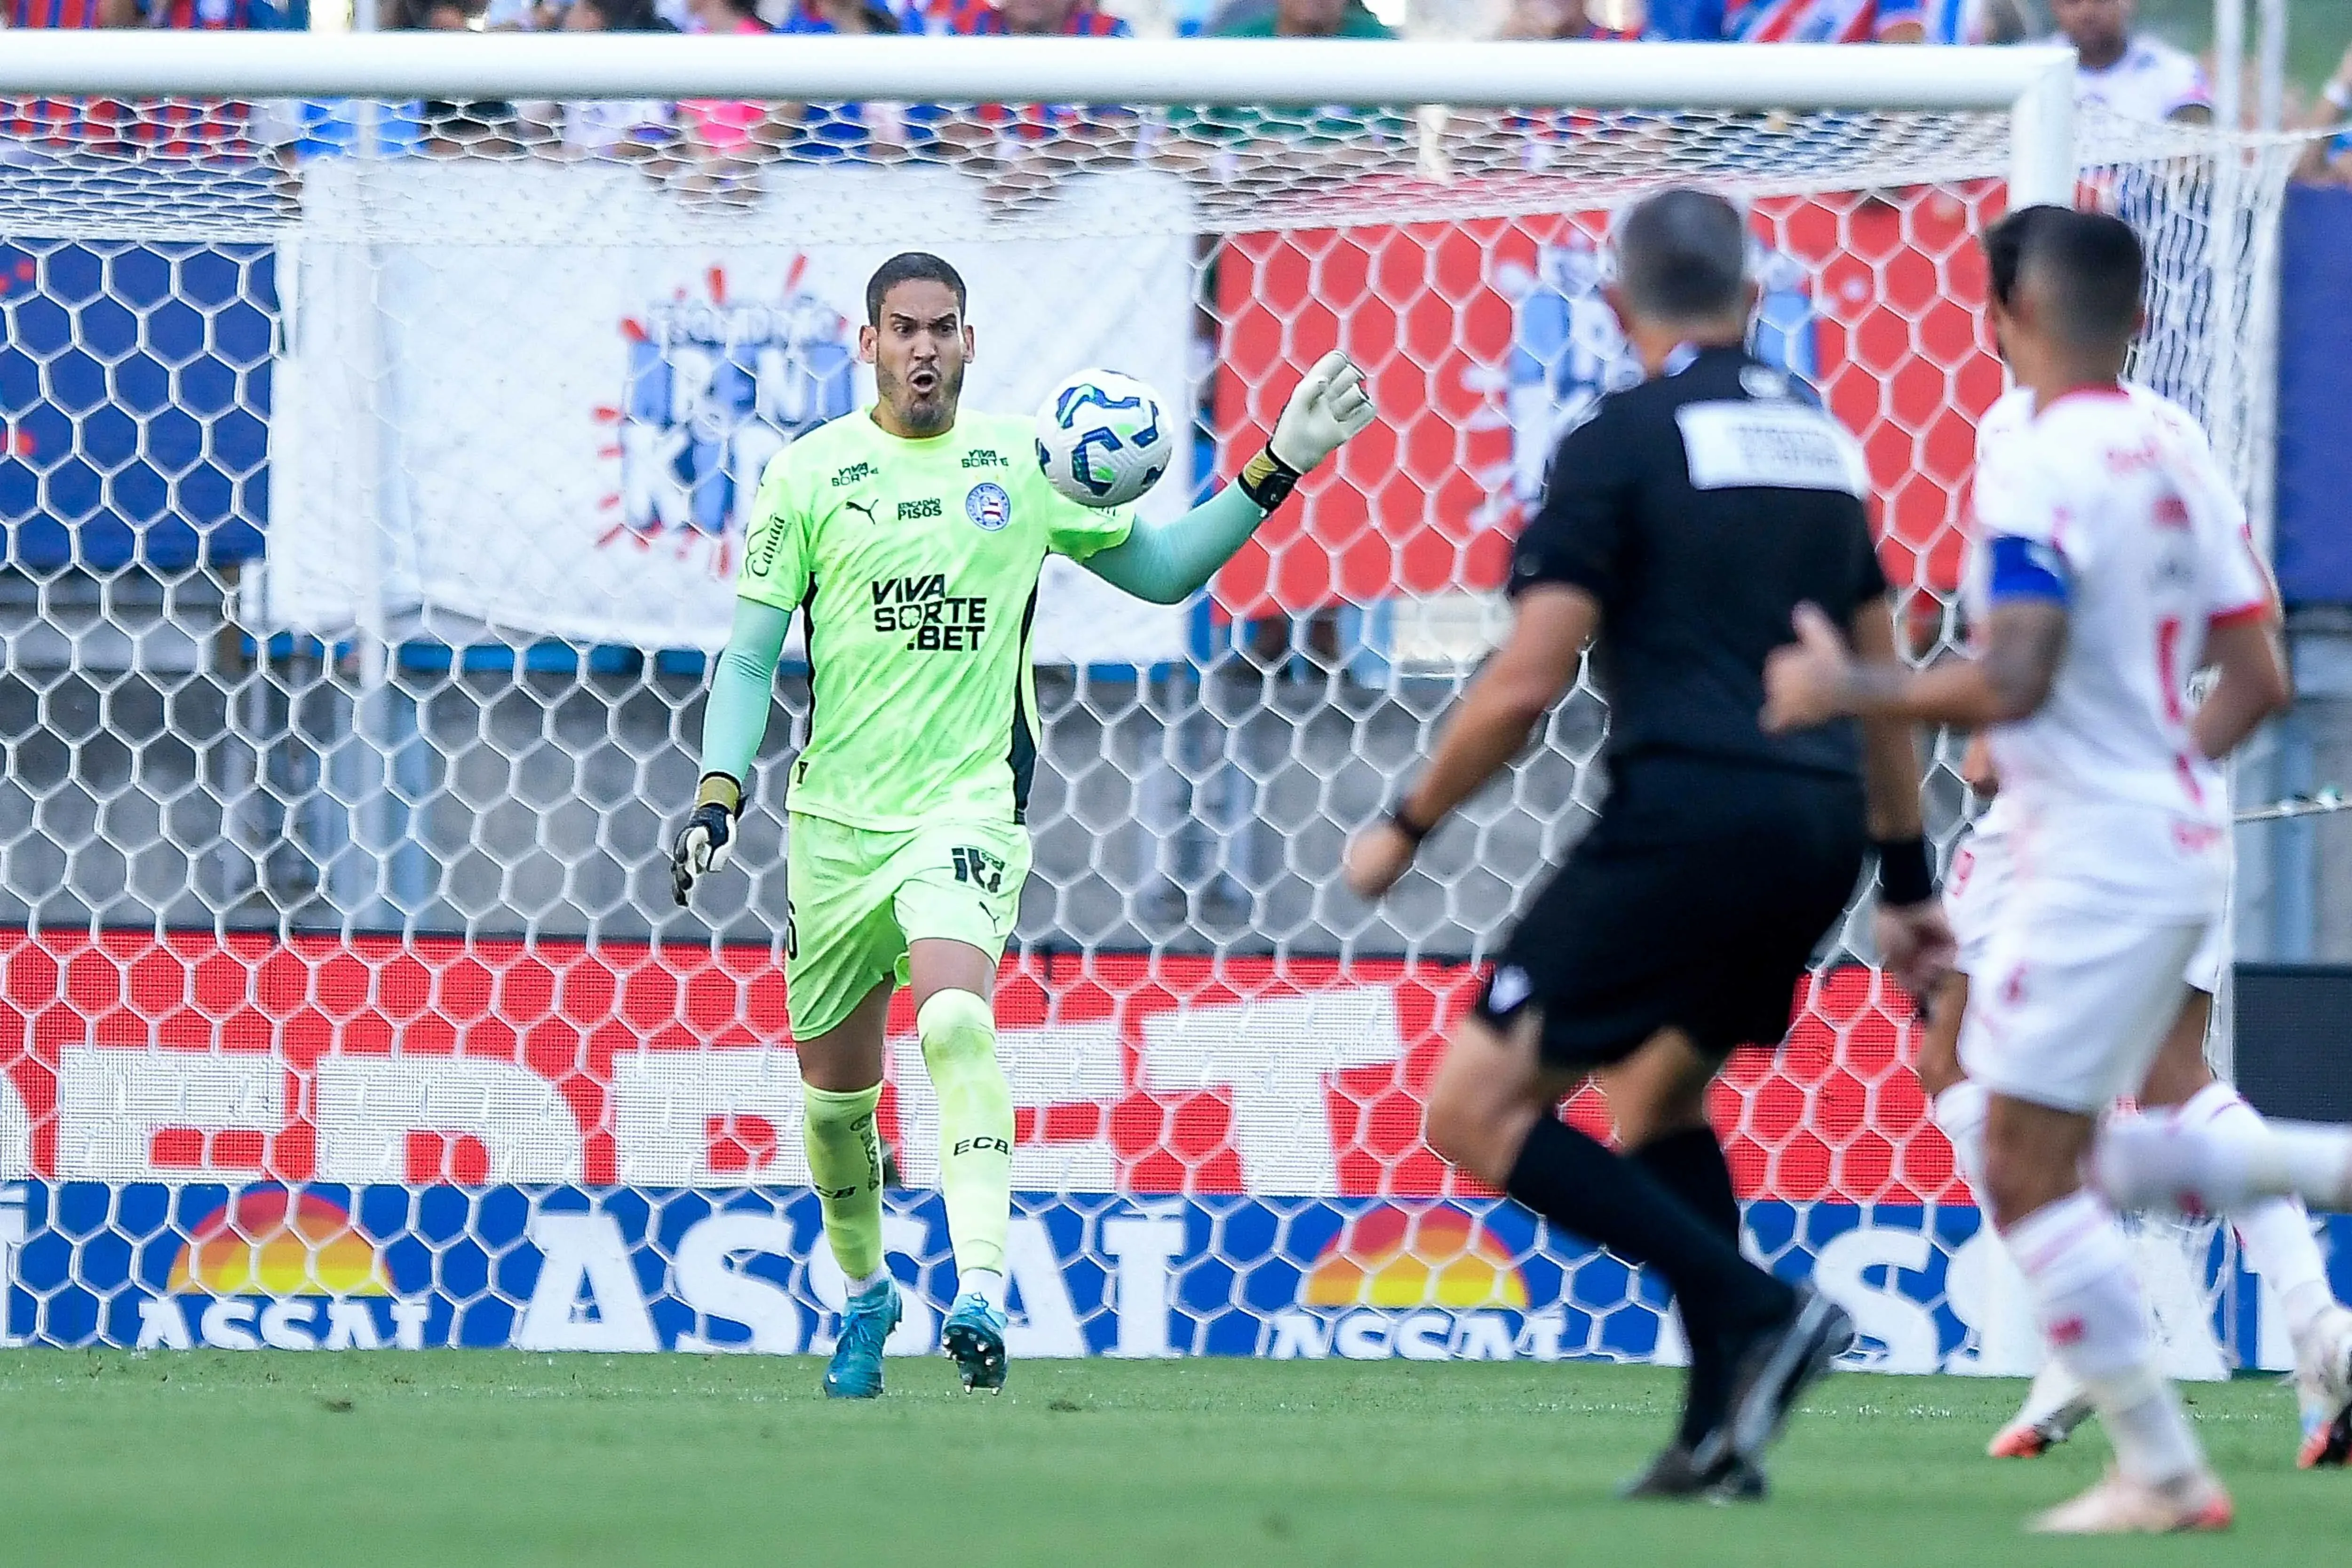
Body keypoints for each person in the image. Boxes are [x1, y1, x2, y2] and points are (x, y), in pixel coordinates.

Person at [671, 252, 1375, 1398]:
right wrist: (717, 792)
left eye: (943, 328)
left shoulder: (1021, 463)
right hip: (834, 825)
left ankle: (981, 1291)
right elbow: (750, 654)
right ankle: (864, 1295)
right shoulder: (808, 475)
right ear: (866, 343)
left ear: (970, 339)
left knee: (954, 1021)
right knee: (836, 1106)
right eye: (902, 329)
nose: (923, 349)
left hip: (966, 812)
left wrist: (1276, 463)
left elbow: (1159, 574)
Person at [1344, 187, 1952, 1501]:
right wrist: (1909, 884)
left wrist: (1405, 824)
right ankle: (1716, 1433)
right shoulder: (1821, 442)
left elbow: (1522, 683)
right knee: (1659, 1100)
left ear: (1619, 311)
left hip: (1689, 818)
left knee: (1473, 1107)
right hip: (1821, 832)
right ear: (1753, 297)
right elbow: (1884, 670)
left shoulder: (1615, 437)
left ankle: (1762, 1306)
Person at [1761, 204, 2352, 1531]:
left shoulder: (2024, 443)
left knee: (2000, 1116)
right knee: (2109, 1115)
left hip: (2082, 845)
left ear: (2000, 320)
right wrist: (2157, 768)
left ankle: (2156, 1436)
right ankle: (2275, 1331)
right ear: (2141, 318)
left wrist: (1849, 684)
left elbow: (2018, 668)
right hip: (2170, 835)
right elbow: (2258, 677)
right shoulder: (2180, 447)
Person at [1927, 735, 2352, 1471]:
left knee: (1953, 1063)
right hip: (2184, 802)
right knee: (2172, 1076)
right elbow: (2259, 666)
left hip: (2060, 808)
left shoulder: (2050, 616)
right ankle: (2318, 1325)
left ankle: (2089, 1326)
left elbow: (1990, 743)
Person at [2048, 0, 2213, 124]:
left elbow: (2194, 149)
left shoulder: (2176, 71)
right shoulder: (2032, 72)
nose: (2087, 12)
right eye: (2073, 1)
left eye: (2101, 1)